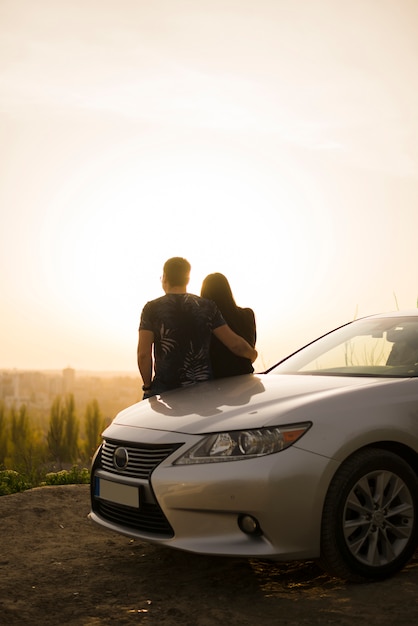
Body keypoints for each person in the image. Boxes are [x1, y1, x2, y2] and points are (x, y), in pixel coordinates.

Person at [137, 257, 257, 398]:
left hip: (165, 391)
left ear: (164, 278)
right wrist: (252, 354)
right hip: (202, 390)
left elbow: (143, 354)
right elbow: (234, 343)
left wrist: (147, 386)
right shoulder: (206, 307)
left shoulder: (151, 309)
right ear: (187, 280)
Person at [201, 272, 256, 378]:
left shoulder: (205, 320)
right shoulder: (248, 314)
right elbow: (250, 345)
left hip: (217, 382)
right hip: (246, 378)